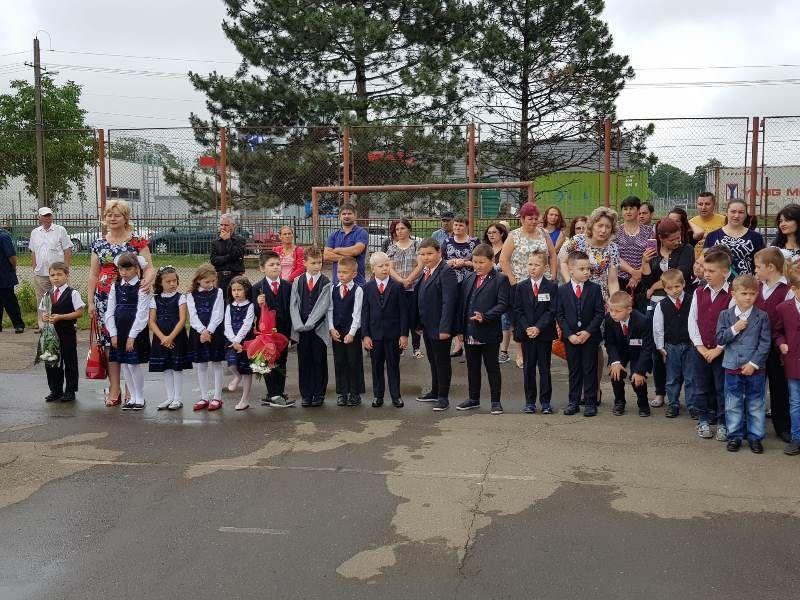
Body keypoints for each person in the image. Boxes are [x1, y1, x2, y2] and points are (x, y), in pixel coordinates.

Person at [88, 199, 155, 407]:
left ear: (126, 218)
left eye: (117, 215)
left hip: (131, 299)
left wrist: (147, 281)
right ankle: (115, 388)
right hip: (104, 300)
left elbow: (149, 268)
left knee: (128, 342)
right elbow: (93, 274)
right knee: (111, 344)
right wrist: (90, 301)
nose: (112, 218)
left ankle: (131, 390)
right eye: (109, 215)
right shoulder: (99, 243)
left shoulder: (137, 241)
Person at [640, 218, 696, 407]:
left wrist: (655, 286)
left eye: (678, 237)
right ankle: (660, 392)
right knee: (658, 350)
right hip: (657, 304)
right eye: (672, 239)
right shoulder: (653, 250)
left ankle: (686, 397)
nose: (677, 241)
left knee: (681, 350)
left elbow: (681, 274)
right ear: (661, 238)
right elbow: (646, 282)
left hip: (680, 303)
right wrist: (645, 263)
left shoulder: (686, 250)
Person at [715, 274, 771, 454]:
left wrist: (753, 363)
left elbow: (765, 343)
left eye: (752, 294)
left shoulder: (762, 316)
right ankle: (734, 436)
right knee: (733, 403)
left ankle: (755, 437)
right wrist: (734, 328)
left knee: (756, 403)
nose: (748, 297)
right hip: (732, 367)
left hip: (755, 368)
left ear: (757, 294)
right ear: (734, 294)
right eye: (744, 293)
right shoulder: (725, 315)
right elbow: (719, 338)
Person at [500, 201, 558, 367]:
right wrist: (513, 282)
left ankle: (542, 353)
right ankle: (521, 352)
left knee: (543, 316)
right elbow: (504, 259)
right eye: (529, 218)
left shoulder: (543, 233)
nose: (533, 221)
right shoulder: (514, 235)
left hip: (543, 283)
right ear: (522, 219)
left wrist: (553, 275)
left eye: (535, 218)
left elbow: (552, 255)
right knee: (521, 319)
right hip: (521, 285)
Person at [455, 243, 510, 414]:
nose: (477, 266)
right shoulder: (469, 278)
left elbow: (503, 304)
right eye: (475, 262)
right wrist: (460, 330)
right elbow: (462, 304)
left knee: (492, 367)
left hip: (489, 332)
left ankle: (495, 401)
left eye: (481, 262)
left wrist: (485, 316)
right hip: (469, 331)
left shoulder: (500, 279)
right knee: (472, 367)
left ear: (492, 261)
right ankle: (473, 398)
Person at [688, 247, 732, 441]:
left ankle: (723, 422)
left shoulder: (732, 295)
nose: (706, 274)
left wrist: (718, 349)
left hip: (722, 351)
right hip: (700, 350)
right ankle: (703, 419)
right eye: (705, 270)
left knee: (722, 388)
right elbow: (692, 320)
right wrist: (700, 346)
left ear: (725, 272)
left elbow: (732, 326)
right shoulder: (699, 292)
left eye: (711, 271)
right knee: (700, 387)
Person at [557, 251, 605, 416]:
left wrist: (588, 332)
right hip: (571, 338)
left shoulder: (595, 289)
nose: (586, 272)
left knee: (590, 369)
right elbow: (560, 315)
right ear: (571, 270)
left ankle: (590, 402)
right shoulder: (562, 290)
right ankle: (573, 402)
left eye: (588, 269)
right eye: (582, 269)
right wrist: (569, 334)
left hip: (589, 337)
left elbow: (599, 313)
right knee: (574, 370)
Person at [754, 247, 794, 442]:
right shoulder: (757, 287)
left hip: (777, 347)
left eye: (758, 267)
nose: (755, 270)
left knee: (779, 387)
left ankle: (783, 426)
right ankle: (754, 425)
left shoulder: (787, 290)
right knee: (755, 387)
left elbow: (789, 322)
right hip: (756, 347)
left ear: (770, 267)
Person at [415, 237, 459, 412]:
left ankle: (443, 397)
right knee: (432, 359)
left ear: (439, 252)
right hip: (428, 325)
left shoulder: (446, 271)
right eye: (422, 254)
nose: (426, 257)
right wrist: (418, 323)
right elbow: (422, 297)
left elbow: (449, 302)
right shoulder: (427, 271)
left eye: (429, 254)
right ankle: (435, 391)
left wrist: (445, 328)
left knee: (442, 361)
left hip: (440, 326)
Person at [105, 253, 152, 411]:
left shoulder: (142, 287)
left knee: (133, 364)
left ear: (136, 268)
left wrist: (132, 335)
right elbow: (109, 311)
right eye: (121, 269)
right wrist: (113, 333)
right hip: (119, 329)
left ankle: (139, 397)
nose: (124, 272)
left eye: (128, 269)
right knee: (124, 364)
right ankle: (131, 397)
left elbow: (142, 313)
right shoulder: (115, 286)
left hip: (135, 330)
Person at [513, 250, 558, 414]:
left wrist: (538, 327)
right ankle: (530, 401)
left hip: (544, 334)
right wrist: (527, 327)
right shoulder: (521, 287)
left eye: (537, 265)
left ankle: (545, 402)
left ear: (545, 267)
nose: (532, 268)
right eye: (530, 264)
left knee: (544, 368)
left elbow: (551, 310)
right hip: (527, 334)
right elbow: (517, 310)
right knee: (529, 368)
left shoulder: (551, 287)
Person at [362, 252, 408, 408]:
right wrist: (365, 335)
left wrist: (403, 334)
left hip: (393, 335)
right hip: (374, 336)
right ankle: (378, 395)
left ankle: (396, 396)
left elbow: (403, 312)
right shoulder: (367, 288)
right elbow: (365, 313)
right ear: (373, 269)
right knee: (376, 366)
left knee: (393, 366)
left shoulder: (397, 286)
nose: (384, 268)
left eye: (387, 265)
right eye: (380, 266)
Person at [290, 246, 332, 407]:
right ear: (305, 263)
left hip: (318, 329)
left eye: (319, 262)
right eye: (313, 263)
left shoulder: (326, 283)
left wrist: (309, 324)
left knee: (319, 361)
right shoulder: (297, 281)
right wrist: (298, 324)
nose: (317, 266)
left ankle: (319, 393)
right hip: (301, 330)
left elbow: (322, 306)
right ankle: (306, 394)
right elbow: (294, 304)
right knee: (304, 361)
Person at [252, 250, 293, 407]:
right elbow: (254, 312)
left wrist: (291, 335)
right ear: (262, 268)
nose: (276, 267)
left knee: (281, 361)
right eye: (271, 265)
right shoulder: (257, 288)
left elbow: (290, 310)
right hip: (266, 335)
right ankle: (273, 393)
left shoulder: (288, 286)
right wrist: (258, 304)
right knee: (267, 362)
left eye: (278, 264)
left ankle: (278, 392)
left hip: (283, 333)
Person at [604, 290, 654, 417]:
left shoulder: (642, 321)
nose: (613, 314)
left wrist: (640, 371)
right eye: (611, 310)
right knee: (616, 373)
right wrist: (615, 362)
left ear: (629, 309)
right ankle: (619, 401)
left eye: (617, 311)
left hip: (638, 351)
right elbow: (610, 343)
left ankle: (643, 404)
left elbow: (647, 348)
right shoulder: (609, 319)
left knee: (637, 378)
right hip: (620, 350)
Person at [40, 261, 84, 403]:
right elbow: (43, 311)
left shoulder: (73, 293)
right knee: (52, 362)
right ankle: (55, 390)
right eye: (52, 275)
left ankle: (70, 391)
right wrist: (44, 317)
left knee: (69, 362)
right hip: (51, 334)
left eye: (59, 274)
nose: (55, 278)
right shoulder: (47, 294)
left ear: (67, 276)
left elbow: (79, 312)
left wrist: (61, 317)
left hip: (67, 332)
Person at [652, 269, 694, 418]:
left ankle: (692, 404)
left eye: (677, 286)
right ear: (664, 288)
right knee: (672, 377)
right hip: (671, 345)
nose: (674, 290)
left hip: (689, 344)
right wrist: (660, 346)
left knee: (690, 376)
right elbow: (658, 327)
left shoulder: (692, 300)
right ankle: (673, 403)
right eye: (669, 288)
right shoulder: (661, 305)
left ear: (683, 284)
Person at [148, 265, 190, 411]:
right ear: (160, 282)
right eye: (168, 281)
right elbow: (151, 321)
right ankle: (170, 397)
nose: (172, 284)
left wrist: (170, 337)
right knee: (166, 367)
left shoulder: (181, 297)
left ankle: (178, 398)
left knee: (176, 367)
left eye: (174, 281)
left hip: (176, 337)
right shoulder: (155, 299)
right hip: (161, 338)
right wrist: (163, 338)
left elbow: (182, 319)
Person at [186, 264, 226, 412]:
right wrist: (202, 331)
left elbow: (218, 313)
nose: (210, 284)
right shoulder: (191, 294)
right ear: (198, 280)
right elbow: (193, 315)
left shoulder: (218, 292)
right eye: (207, 282)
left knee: (216, 363)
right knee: (201, 365)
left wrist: (209, 330)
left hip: (215, 332)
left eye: (213, 281)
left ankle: (217, 397)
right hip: (199, 333)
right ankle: (204, 397)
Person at [559, 206, 620, 302]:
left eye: (608, 227)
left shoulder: (613, 248)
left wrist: (614, 302)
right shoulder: (577, 240)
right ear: (592, 225)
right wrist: (570, 285)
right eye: (600, 225)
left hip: (599, 298)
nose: (603, 230)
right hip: (575, 294)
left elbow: (613, 281)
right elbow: (563, 262)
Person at [28, 206, 73, 332]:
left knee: (63, 298)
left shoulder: (60, 230)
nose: (47, 218)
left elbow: (67, 250)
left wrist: (65, 269)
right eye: (45, 216)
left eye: (49, 215)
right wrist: (34, 268)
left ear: (52, 217)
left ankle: (66, 323)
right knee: (42, 300)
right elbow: (33, 252)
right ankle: (43, 325)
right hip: (41, 273)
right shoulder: (35, 232)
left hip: (58, 273)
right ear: (39, 218)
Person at [328, 256, 365, 407]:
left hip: (351, 332)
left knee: (353, 361)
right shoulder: (333, 289)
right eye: (339, 272)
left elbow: (357, 314)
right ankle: (342, 393)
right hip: (337, 331)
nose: (341, 275)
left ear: (354, 274)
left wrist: (352, 333)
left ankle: (355, 393)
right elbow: (330, 310)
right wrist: (331, 328)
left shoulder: (358, 290)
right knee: (340, 361)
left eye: (345, 272)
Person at [772, 267, 800, 456]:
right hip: (793, 363)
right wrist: (781, 343)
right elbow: (777, 331)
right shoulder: (783, 308)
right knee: (795, 402)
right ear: (794, 289)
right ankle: (797, 438)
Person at [386, 218, 423, 358]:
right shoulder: (392, 247)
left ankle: (416, 347)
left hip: (414, 288)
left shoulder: (417, 245)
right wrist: (401, 281)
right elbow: (390, 268)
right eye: (397, 229)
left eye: (402, 228)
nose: (399, 231)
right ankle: (400, 346)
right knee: (399, 317)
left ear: (409, 229)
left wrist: (409, 280)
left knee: (414, 317)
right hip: (397, 288)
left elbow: (420, 265)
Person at [704, 199, 765, 277]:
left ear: (746, 215)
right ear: (726, 213)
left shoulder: (756, 237)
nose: (736, 215)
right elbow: (706, 262)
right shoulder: (712, 236)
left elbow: (762, 263)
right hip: (719, 281)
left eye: (741, 212)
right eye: (733, 212)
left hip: (746, 282)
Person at [224, 276, 256, 411]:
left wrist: (238, 340)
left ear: (246, 290)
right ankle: (237, 376)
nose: (236, 293)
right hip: (232, 341)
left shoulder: (250, 306)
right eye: (234, 290)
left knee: (246, 369)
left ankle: (245, 399)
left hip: (246, 341)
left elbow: (247, 325)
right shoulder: (229, 306)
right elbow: (227, 324)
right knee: (231, 364)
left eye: (240, 290)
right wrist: (233, 341)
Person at [483, 222, 513, 363]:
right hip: (488, 288)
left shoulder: (507, 248)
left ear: (501, 233)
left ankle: (504, 351)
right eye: (489, 233)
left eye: (494, 232)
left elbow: (511, 268)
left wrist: (497, 269)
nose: (491, 235)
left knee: (504, 319)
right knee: (489, 316)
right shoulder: (485, 249)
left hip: (505, 287)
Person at [616, 195, 653, 305]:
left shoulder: (648, 231)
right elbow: (614, 256)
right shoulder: (616, 232)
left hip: (643, 279)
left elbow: (651, 255)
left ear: (638, 210)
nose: (628, 212)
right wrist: (633, 272)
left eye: (631, 208)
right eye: (625, 209)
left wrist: (638, 276)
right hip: (620, 279)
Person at [324, 203, 369, 287]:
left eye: (349, 213)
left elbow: (356, 250)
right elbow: (326, 255)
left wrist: (337, 250)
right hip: (337, 284)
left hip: (357, 283)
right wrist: (349, 259)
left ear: (355, 215)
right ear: (340, 216)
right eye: (344, 214)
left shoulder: (361, 232)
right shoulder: (333, 235)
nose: (346, 216)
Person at [210, 213, 246, 302]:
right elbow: (213, 260)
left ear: (233, 226)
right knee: (221, 302)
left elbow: (236, 254)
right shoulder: (215, 241)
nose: (223, 227)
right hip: (221, 277)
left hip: (235, 276)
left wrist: (227, 240)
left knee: (235, 301)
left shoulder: (239, 240)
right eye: (221, 225)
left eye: (226, 225)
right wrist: (229, 257)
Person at [0, 226, 24, 334]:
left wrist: (13, 267)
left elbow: (12, 256)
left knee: (9, 301)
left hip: (4, 274)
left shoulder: (4, 237)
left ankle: (18, 325)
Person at [689, 192, 726, 257]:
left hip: (717, 259)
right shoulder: (691, 223)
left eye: (707, 204)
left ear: (714, 205)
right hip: (696, 260)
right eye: (700, 204)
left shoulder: (724, 221)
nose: (703, 207)